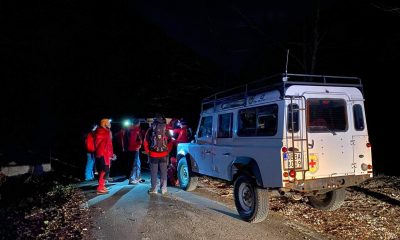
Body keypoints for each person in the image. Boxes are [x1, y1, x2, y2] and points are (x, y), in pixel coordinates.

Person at [144, 115, 172, 194]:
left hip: (153, 154)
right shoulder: (166, 129)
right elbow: (170, 142)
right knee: (163, 172)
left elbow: (145, 141)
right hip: (163, 154)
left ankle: (154, 189)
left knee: (154, 172)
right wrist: (167, 151)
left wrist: (148, 152)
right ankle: (164, 189)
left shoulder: (151, 129)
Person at [94, 118, 116, 194]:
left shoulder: (106, 131)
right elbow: (102, 144)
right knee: (104, 170)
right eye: (108, 122)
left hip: (106, 154)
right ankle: (100, 187)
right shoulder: (102, 131)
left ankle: (102, 186)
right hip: (103, 154)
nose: (109, 124)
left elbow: (109, 144)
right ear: (104, 123)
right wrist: (109, 153)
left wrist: (111, 154)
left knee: (105, 170)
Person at [126, 118, 143, 184]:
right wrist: (139, 144)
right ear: (138, 123)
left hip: (135, 149)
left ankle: (137, 177)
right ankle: (132, 179)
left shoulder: (135, 130)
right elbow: (132, 142)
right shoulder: (134, 131)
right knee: (135, 164)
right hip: (134, 149)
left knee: (138, 164)